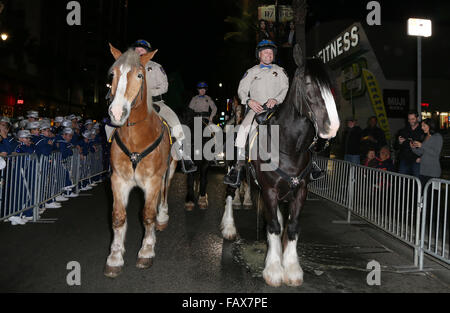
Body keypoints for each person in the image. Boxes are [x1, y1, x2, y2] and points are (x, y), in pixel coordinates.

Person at [224, 40, 289, 186]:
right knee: (242, 132)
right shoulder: (251, 72)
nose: (268, 55)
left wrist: (277, 99)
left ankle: (310, 163)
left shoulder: (280, 71)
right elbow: (241, 90)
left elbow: (285, 89)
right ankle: (238, 167)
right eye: (265, 52)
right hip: (256, 110)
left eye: (271, 53)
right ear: (259, 54)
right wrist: (248, 101)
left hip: (277, 109)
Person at [131, 39, 196, 173]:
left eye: (141, 50)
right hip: (134, 104)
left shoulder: (155, 67)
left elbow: (164, 86)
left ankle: (186, 156)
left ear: (148, 52)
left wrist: (148, 93)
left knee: (175, 122)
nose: (139, 52)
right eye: (136, 50)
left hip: (155, 102)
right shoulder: (130, 67)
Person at [411, 118, 443, 188]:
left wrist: (422, 145)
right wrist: (413, 147)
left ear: (430, 126)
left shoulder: (437, 137)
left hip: (433, 172)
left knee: (432, 196)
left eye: (424, 126)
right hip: (423, 171)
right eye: (422, 126)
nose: (422, 128)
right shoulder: (425, 137)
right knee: (424, 194)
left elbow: (436, 153)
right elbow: (421, 152)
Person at [395, 111, 424, 177]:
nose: (411, 121)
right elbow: (396, 147)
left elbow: (427, 146)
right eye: (409, 119)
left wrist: (422, 157)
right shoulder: (403, 131)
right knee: (402, 180)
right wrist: (399, 142)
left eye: (413, 119)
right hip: (405, 159)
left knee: (418, 182)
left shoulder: (422, 130)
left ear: (417, 118)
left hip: (417, 160)